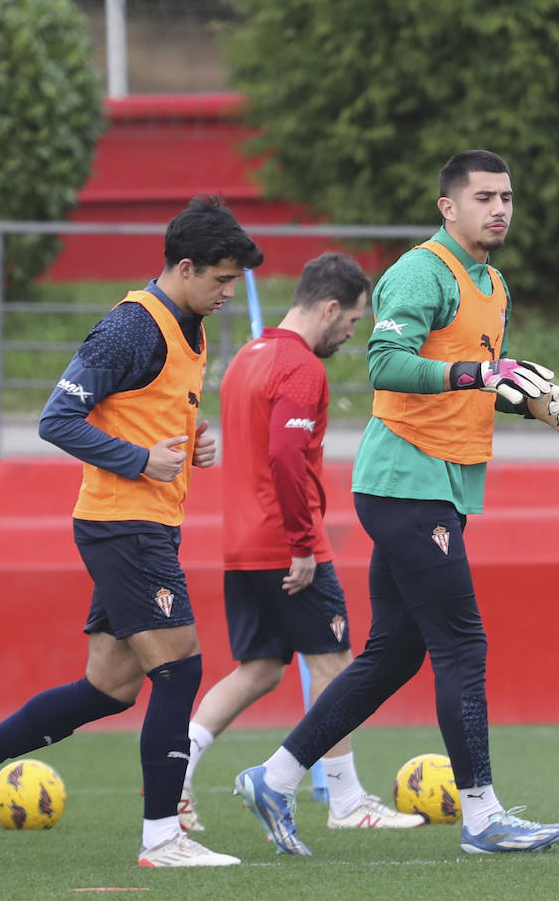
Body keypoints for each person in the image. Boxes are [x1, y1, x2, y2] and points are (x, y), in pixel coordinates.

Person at [232, 149, 559, 858]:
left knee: (393, 654)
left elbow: (460, 384)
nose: (500, 209)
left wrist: (522, 401)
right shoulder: (420, 271)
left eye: (507, 196)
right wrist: (482, 370)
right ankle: (481, 817)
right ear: (448, 207)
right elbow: (387, 365)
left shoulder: (494, 284)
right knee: (464, 643)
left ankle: (275, 775)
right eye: (484, 197)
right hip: (404, 483)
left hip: (436, 484)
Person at [0, 195, 262, 866]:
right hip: (123, 526)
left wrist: (191, 444)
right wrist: (143, 460)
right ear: (187, 267)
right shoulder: (131, 328)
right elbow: (57, 419)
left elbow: (141, 412)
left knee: (110, 688)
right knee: (181, 669)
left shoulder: (187, 326)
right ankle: (161, 838)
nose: (230, 292)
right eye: (223, 279)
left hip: (147, 526)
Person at [178, 252, 422, 832]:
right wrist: (303, 541)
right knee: (338, 665)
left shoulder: (247, 358)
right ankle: (346, 802)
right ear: (331, 307)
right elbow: (286, 456)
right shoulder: (301, 367)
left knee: (259, 669)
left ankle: (175, 778)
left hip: (240, 544)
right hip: (285, 544)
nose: (351, 334)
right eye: (354, 322)